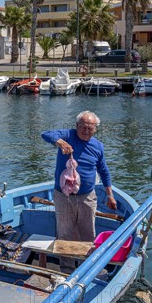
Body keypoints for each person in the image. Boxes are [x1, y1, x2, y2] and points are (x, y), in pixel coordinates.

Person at [41, 111, 117, 273]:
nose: (86, 130)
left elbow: (104, 171)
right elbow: (46, 134)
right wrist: (60, 142)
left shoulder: (98, 146)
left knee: (88, 234)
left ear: (95, 129)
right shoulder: (68, 135)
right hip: (64, 197)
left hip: (87, 196)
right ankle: (66, 270)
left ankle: (86, 268)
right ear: (77, 126)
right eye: (83, 127)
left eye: (90, 127)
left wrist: (110, 195)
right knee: (65, 233)